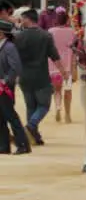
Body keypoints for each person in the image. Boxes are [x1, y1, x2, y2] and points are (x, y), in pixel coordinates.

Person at [14, 9, 61, 146]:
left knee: (30, 106)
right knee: (43, 106)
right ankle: (31, 126)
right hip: (41, 77)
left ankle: (34, 137)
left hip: (24, 77)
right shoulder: (45, 36)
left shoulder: (18, 37)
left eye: (22, 19)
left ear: (28, 19)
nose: (21, 21)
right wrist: (63, 72)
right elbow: (54, 56)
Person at [0, 20, 30, 154]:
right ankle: (3, 145)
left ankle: (23, 144)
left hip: (4, 88)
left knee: (10, 116)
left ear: (2, 33)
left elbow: (16, 67)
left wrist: (5, 81)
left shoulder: (9, 47)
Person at [48, 8, 75, 123]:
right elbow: (74, 50)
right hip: (68, 65)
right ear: (67, 20)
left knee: (57, 90)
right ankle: (68, 115)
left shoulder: (50, 31)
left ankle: (58, 107)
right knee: (68, 90)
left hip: (54, 65)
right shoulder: (72, 32)